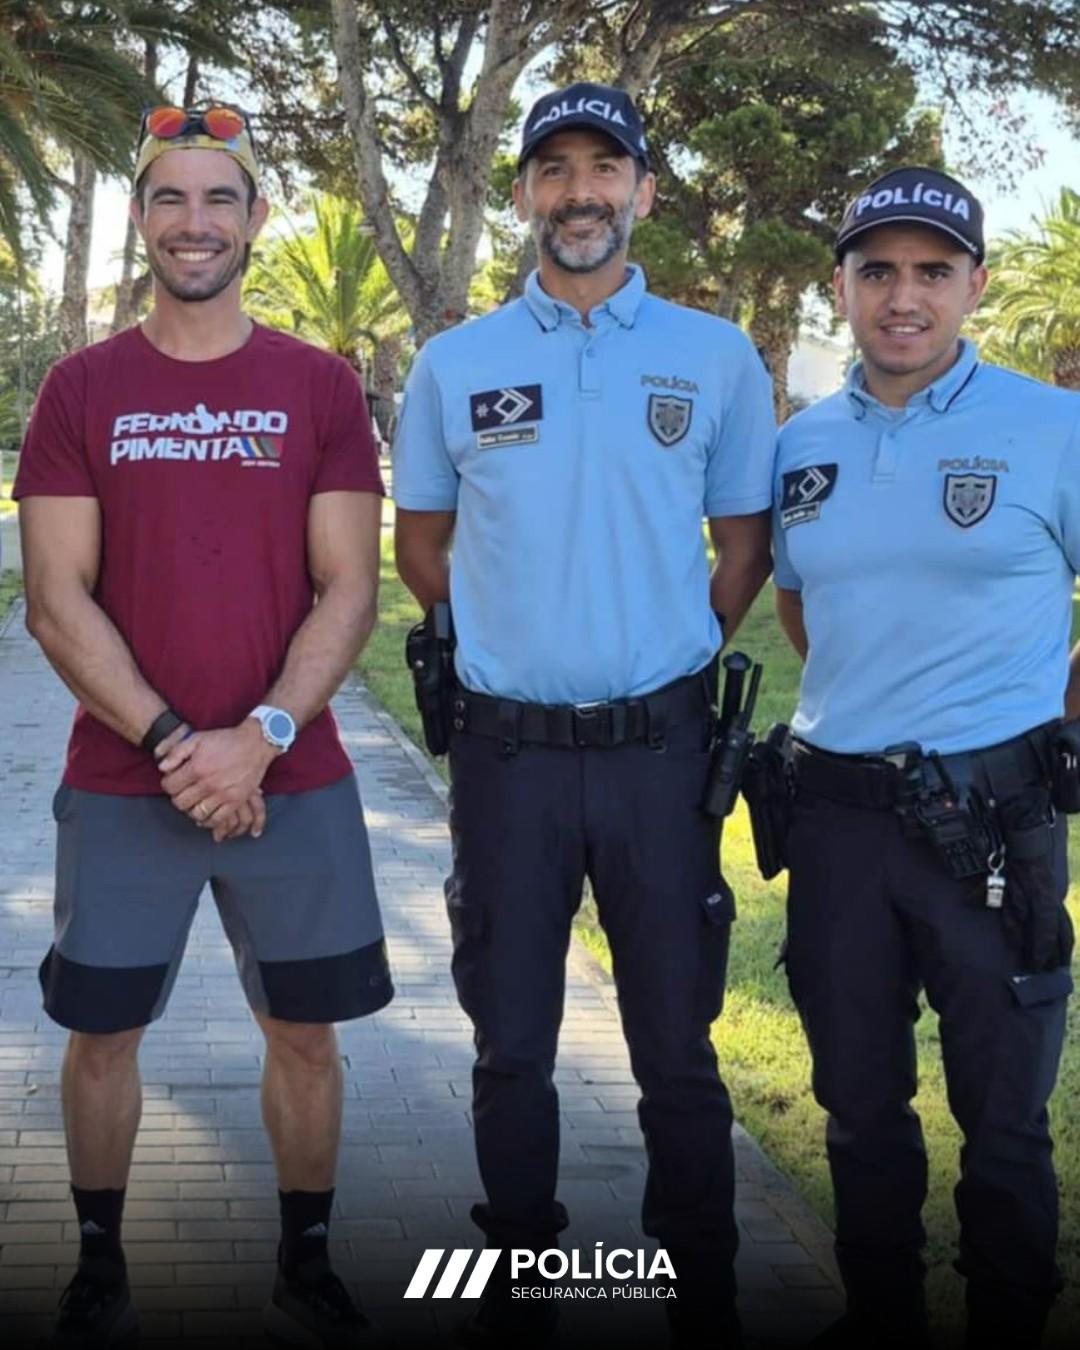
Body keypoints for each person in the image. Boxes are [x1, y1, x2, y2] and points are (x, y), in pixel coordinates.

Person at [392, 81, 776, 1348]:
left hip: (661, 757)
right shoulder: (457, 364)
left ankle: (702, 1292)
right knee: (511, 1046)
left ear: (644, 193)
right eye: (553, 171)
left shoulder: (716, 358)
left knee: (678, 1045)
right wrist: (527, 641)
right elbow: (425, 546)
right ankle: (523, 1286)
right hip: (505, 757)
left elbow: (741, 546)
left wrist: (658, 653)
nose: (579, 194)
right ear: (522, 198)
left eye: (603, 170)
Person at [14, 103, 392, 1349]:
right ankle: (100, 1258)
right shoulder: (82, 388)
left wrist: (264, 734)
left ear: (255, 218)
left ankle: (306, 1258)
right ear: (142, 216)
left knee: (305, 1033)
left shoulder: (318, 385)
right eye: (170, 198)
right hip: (130, 784)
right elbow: (54, 600)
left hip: (298, 774)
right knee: (103, 1033)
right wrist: (185, 743)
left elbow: (352, 584)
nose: (194, 222)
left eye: (218, 198)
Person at [772, 167, 1078, 1349]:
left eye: (933, 272)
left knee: (1002, 1118)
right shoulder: (803, 440)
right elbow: (804, 611)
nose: (905, 297)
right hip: (838, 823)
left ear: (976, 286)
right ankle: (880, 1313)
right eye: (879, 270)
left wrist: (1044, 718)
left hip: (992, 826)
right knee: (857, 1105)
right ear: (841, 285)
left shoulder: (1052, 426)